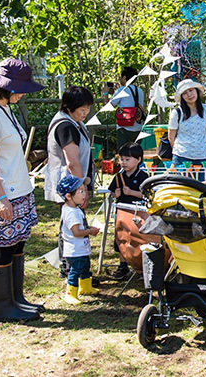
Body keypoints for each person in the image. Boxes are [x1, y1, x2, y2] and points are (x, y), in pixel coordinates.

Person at [0, 58, 44, 322]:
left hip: (20, 190)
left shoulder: (5, 108)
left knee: (18, 244)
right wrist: (1, 198)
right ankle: (3, 307)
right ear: (6, 87)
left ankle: (17, 299)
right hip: (3, 194)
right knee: (4, 248)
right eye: (21, 87)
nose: (24, 92)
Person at [44, 86, 95, 278]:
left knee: (72, 224)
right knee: (71, 228)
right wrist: (82, 189)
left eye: (87, 108)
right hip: (69, 187)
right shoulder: (65, 126)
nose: (86, 113)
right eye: (82, 109)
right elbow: (73, 163)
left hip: (72, 187)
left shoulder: (72, 122)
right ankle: (69, 270)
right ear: (69, 107)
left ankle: (76, 270)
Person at [106, 142, 149, 280]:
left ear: (138, 160)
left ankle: (142, 267)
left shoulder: (143, 176)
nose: (123, 162)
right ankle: (123, 265)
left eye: (127, 159)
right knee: (121, 238)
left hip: (138, 213)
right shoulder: (118, 177)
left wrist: (132, 192)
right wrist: (115, 195)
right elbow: (111, 193)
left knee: (139, 238)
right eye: (121, 159)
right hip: (121, 213)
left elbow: (147, 195)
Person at [57, 175, 101, 304]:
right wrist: (90, 231)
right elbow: (76, 232)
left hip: (81, 248)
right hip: (74, 250)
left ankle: (85, 287)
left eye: (84, 190)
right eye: (81, 191)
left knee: (85, 267)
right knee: (75, 271)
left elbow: (80, 227)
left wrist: (88, 228)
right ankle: (70, 293)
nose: (84, 194)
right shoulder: (70, 212)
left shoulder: (75, 208)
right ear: (68, 196)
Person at [168, 79, 206, 172]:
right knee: (182, 186)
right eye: (185, 93)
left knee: (202, 185)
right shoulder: (177, 112)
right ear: (181, 96)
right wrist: (181, 150)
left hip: (202, 156)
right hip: (181, 156)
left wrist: (200, 146)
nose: (189, 95)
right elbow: (171, 137)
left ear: (196, 90)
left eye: (191, 90)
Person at [107, 66, 144, 151]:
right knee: (135, 154)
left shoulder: (121, 90)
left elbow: (109, 106)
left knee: (124, 154)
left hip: (125, 127)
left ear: (124, 78)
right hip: (138, 127)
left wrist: (105, 92)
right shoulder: (140, 90)